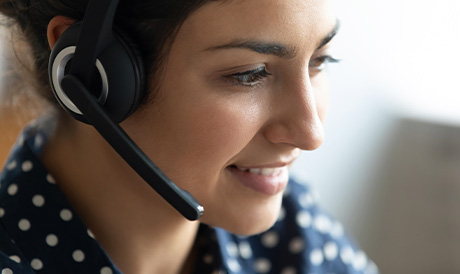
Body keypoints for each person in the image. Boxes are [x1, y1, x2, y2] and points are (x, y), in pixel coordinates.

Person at [0, 0, 379, 273]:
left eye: (320, 60)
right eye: (250, 73)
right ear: (88, 71)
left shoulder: (290, 224)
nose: (311, 134)